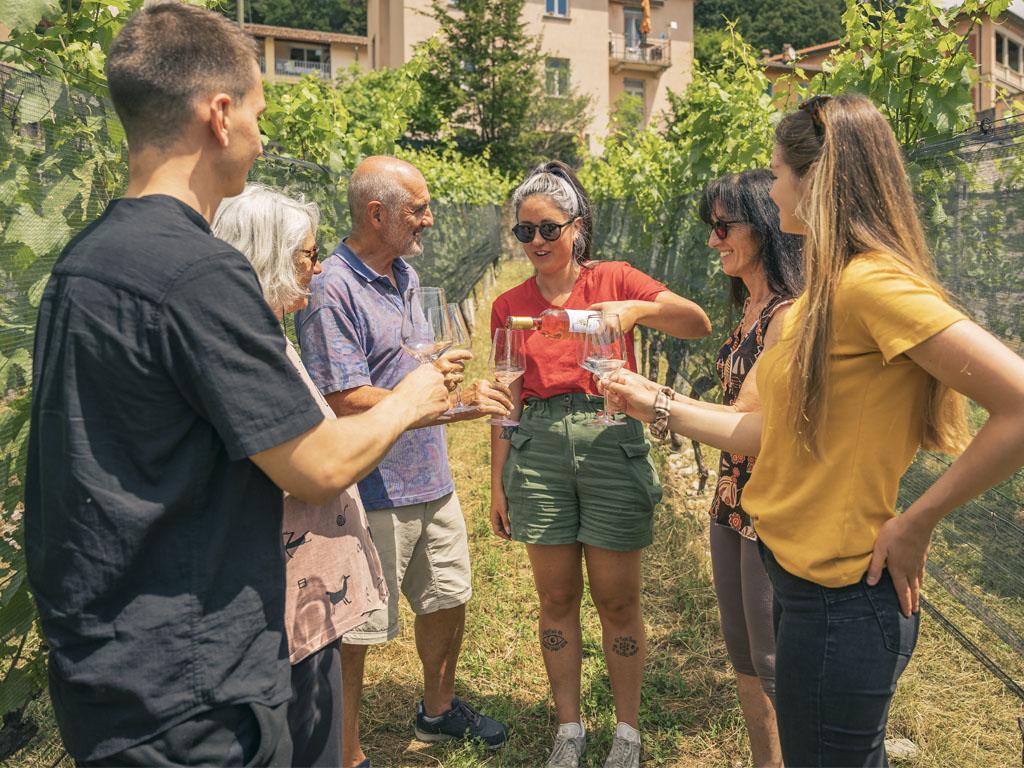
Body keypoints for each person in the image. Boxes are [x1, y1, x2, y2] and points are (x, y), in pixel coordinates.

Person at [24, 7, 449, 767]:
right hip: (195, 687)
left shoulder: (83, 261)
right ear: (219, 115)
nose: (261, 134)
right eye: (257, 112)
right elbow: (316, 464)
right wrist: (419, 394)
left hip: (108, 665)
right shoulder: (199, 273)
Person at [601, 94, 1024, 767]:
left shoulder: (869, 287)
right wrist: (651, 402)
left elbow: (1019, 403)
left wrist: (919, 520)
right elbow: (762, 432)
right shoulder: (819, 301)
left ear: (815, 181)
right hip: (801, 587)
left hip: (845, 602)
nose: (771, 189)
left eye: (777, 174)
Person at [489, 160, 712, 768]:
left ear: (576, 227)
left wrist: (632, 312)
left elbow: (696, 320)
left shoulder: (613, 279)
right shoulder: (510, 305)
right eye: (524, 232)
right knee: (556, 598)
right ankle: (569, 727)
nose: (536, 242)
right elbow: (508, 397)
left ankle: (627, 731)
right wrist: (498, 482)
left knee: (617, 600)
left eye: (548, 229)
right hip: (539, 448)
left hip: (609, 435)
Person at [295, 155, 513, 768]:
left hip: (431, 474)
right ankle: (347, 752)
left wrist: (434, 371)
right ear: (376, 213)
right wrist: (446, 398)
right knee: (357, 630)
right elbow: (342, 395)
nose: (430, 218)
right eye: (418, 209)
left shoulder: (408, 277)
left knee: (448, 594)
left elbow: (404, 368)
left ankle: (438, 711)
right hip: (373, 485)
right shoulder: (332, 287)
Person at [213, 183, 392, 767]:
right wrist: (409, 403)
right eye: (307, 256)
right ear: (267, 256)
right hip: (281, 604)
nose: (317, 268)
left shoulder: (269, 337)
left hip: (304, 599)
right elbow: (312, 469)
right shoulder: (246, 352)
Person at [699, 169, 802, 768]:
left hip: (770, 508)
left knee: (772, 662)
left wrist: (656, 404)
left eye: (723, 226)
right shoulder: (749, 306)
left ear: (764, 226)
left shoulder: (788, 315)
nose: (713, 240)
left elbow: (750, 418)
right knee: (743, 655)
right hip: (730, 499)